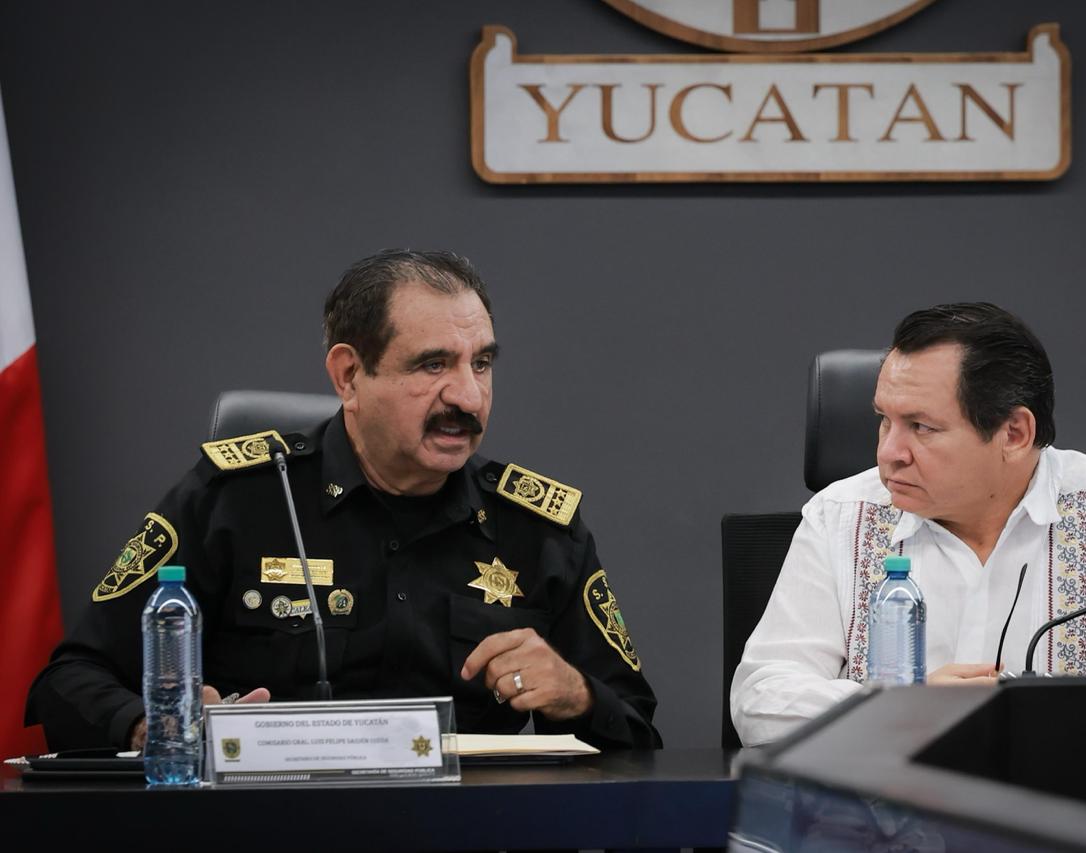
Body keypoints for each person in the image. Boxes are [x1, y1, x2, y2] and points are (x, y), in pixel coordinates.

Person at [28, 249, 660, 751]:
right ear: (349, 375)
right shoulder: (236, 501)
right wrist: (160, 725)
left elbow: (638, 736)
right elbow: (68, 683)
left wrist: (577, 695)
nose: (468, 397)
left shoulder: (536, 528)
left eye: (482, 364)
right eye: (433, 365)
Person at [731, 302, 1086, 747]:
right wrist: (900, 707)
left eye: (921, 427)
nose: (889, 452)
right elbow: (760, 698)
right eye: (884, 420)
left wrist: (1067, 719)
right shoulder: (840, 516)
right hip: (885, 815)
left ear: (1014, 433)